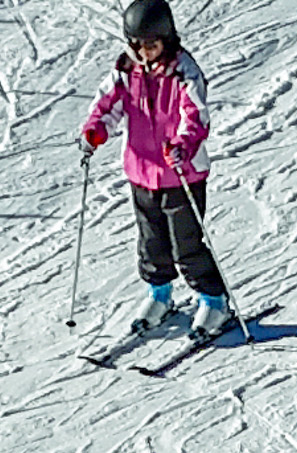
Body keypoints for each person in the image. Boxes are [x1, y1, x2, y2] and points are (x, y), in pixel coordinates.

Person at [81, 0, 230, 341]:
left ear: (167, 39)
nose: (145, 52)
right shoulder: (125, 70)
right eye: (138, 45)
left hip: (182, 173)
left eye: (152, 44)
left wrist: (182, 144)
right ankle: (160, 295)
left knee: (186, 245)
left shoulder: (183, 71)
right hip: (140, 171)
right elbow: (107, 105)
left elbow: (196, 115)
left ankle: (213, 300)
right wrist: (95, 130)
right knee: (151, 243)